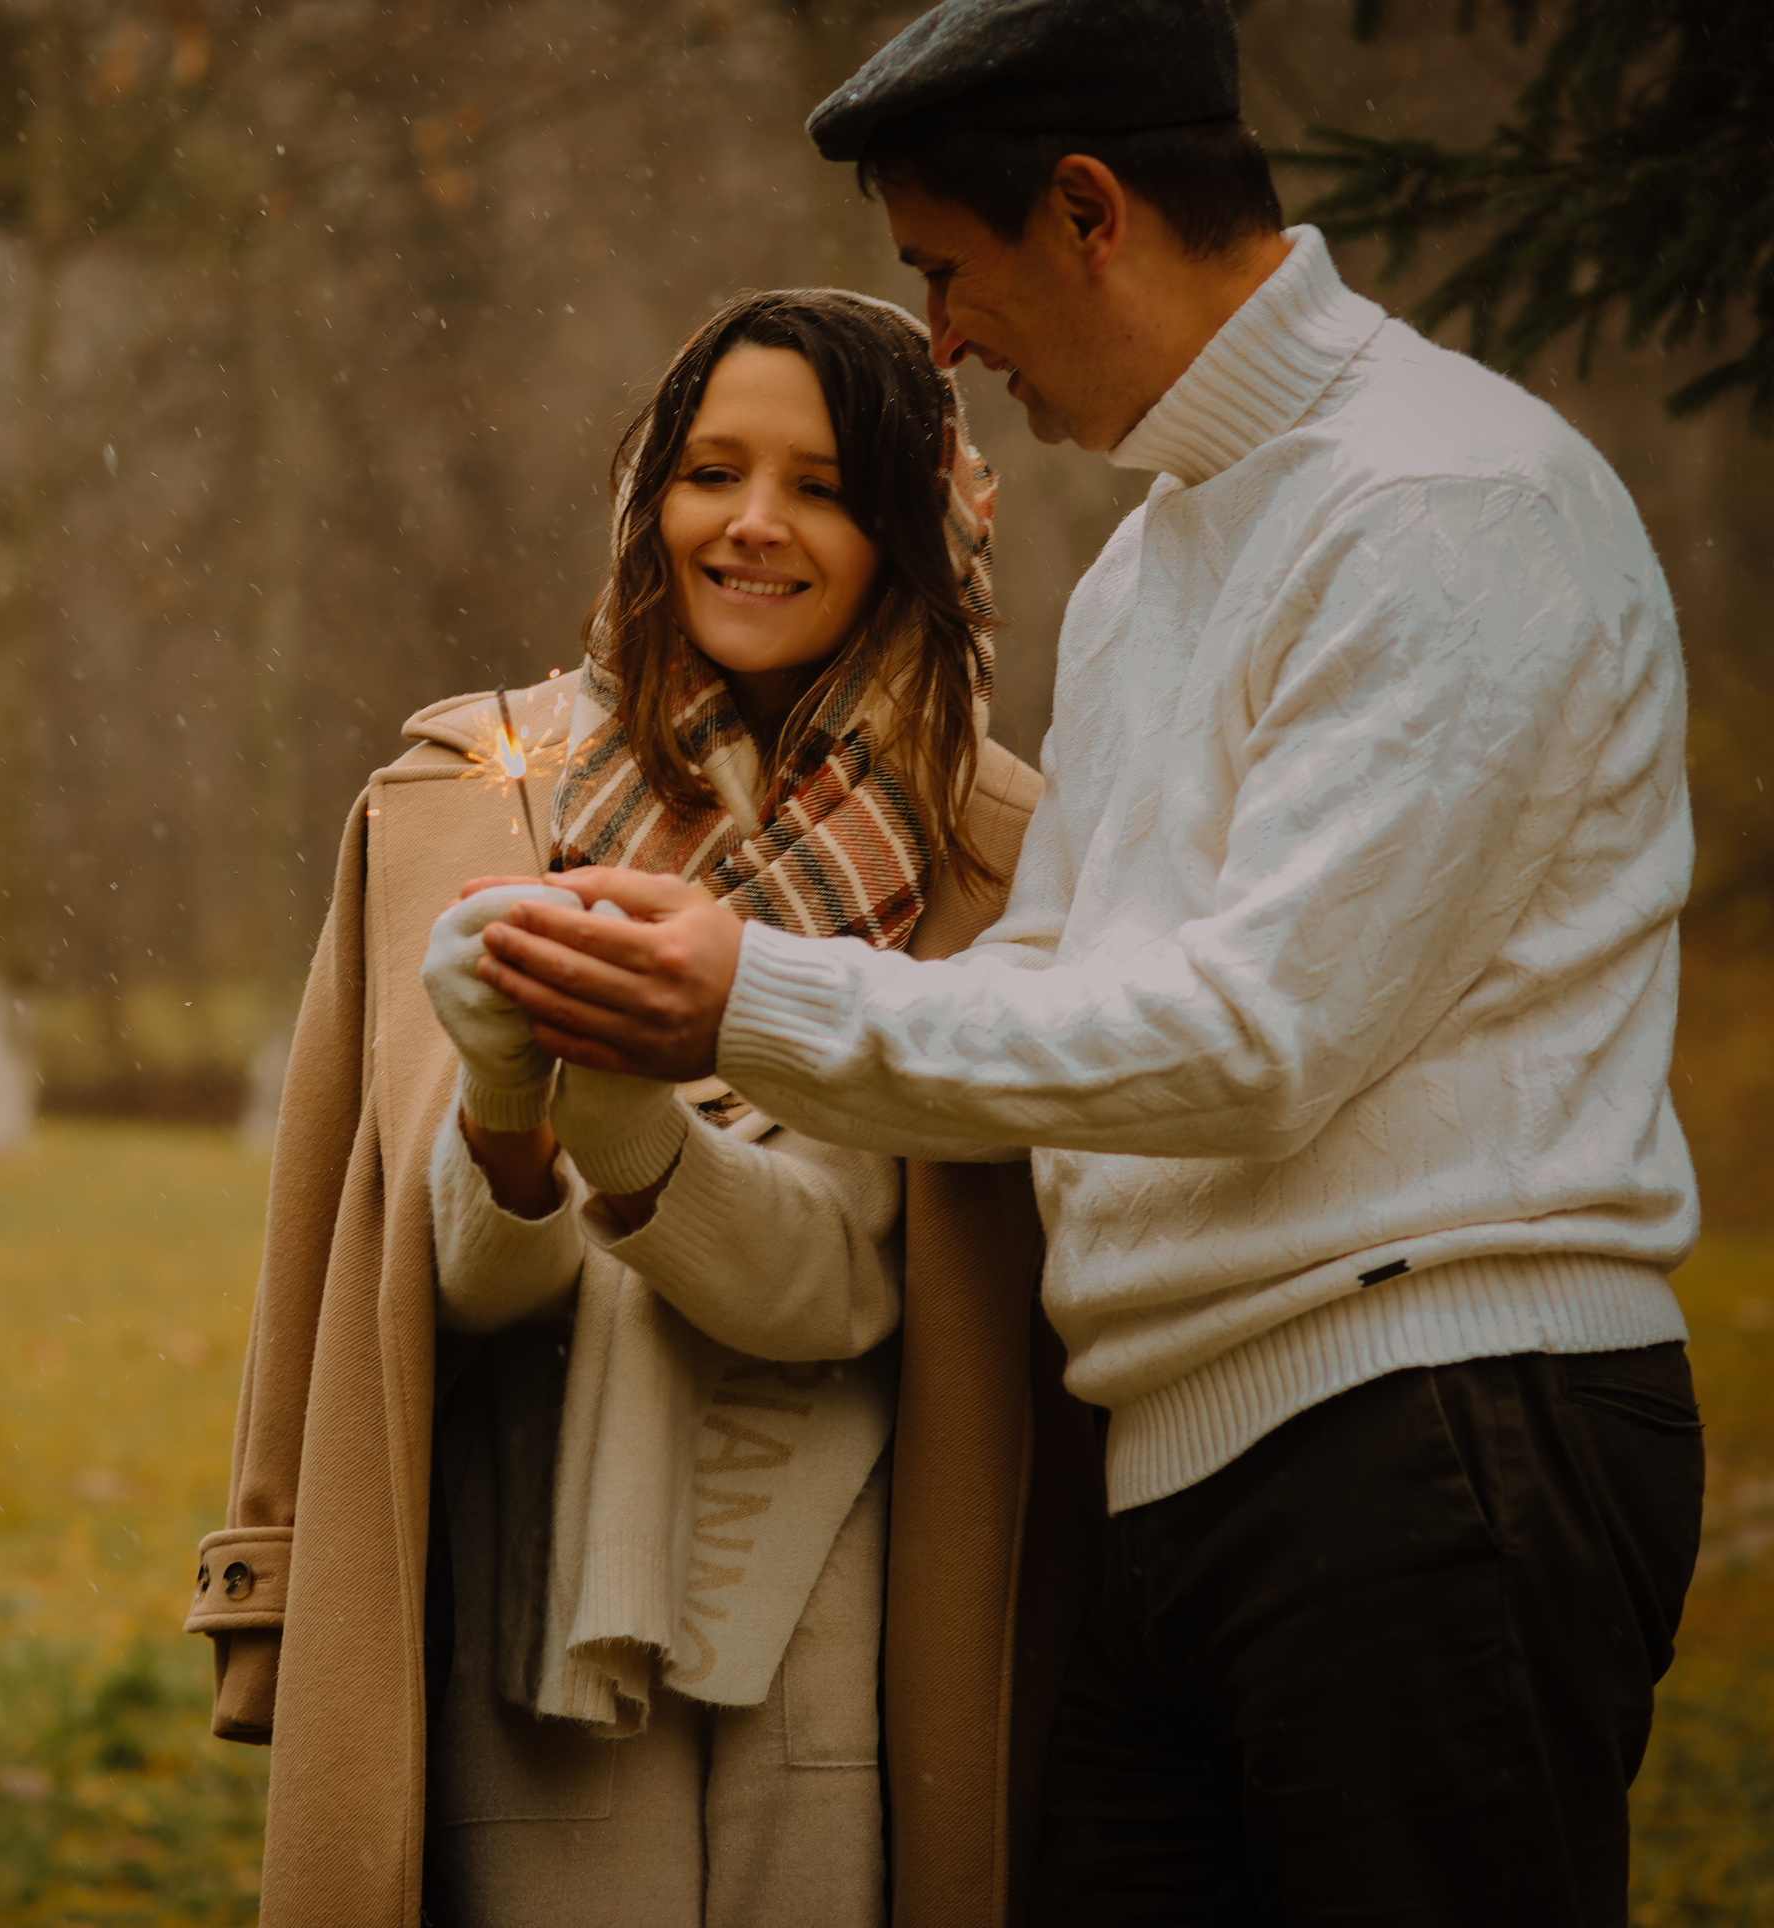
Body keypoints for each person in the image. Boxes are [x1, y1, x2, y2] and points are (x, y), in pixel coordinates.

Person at [468, 3, 1707, 1924]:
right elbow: (1048, 976)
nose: (940, 343)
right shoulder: (1151, 567)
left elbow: (1254, 1038)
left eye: (944, 275)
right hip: (1179, 1475)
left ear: (1090, 209)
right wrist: (684, 1036)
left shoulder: (1442, 504)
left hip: (1435, 1440)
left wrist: (750, 1001)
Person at [186, 287, 1099, 1928]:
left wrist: (620, 1116)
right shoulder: (462, 805)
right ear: (644, 498)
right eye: (709, 471)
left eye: (823, 486)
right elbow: (429, 1282)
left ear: (914, 526)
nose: (753, 526)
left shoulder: (1000, 851)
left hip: (841, 1623)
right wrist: (509, 1107)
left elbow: (833, 1289)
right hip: (516, 1594)